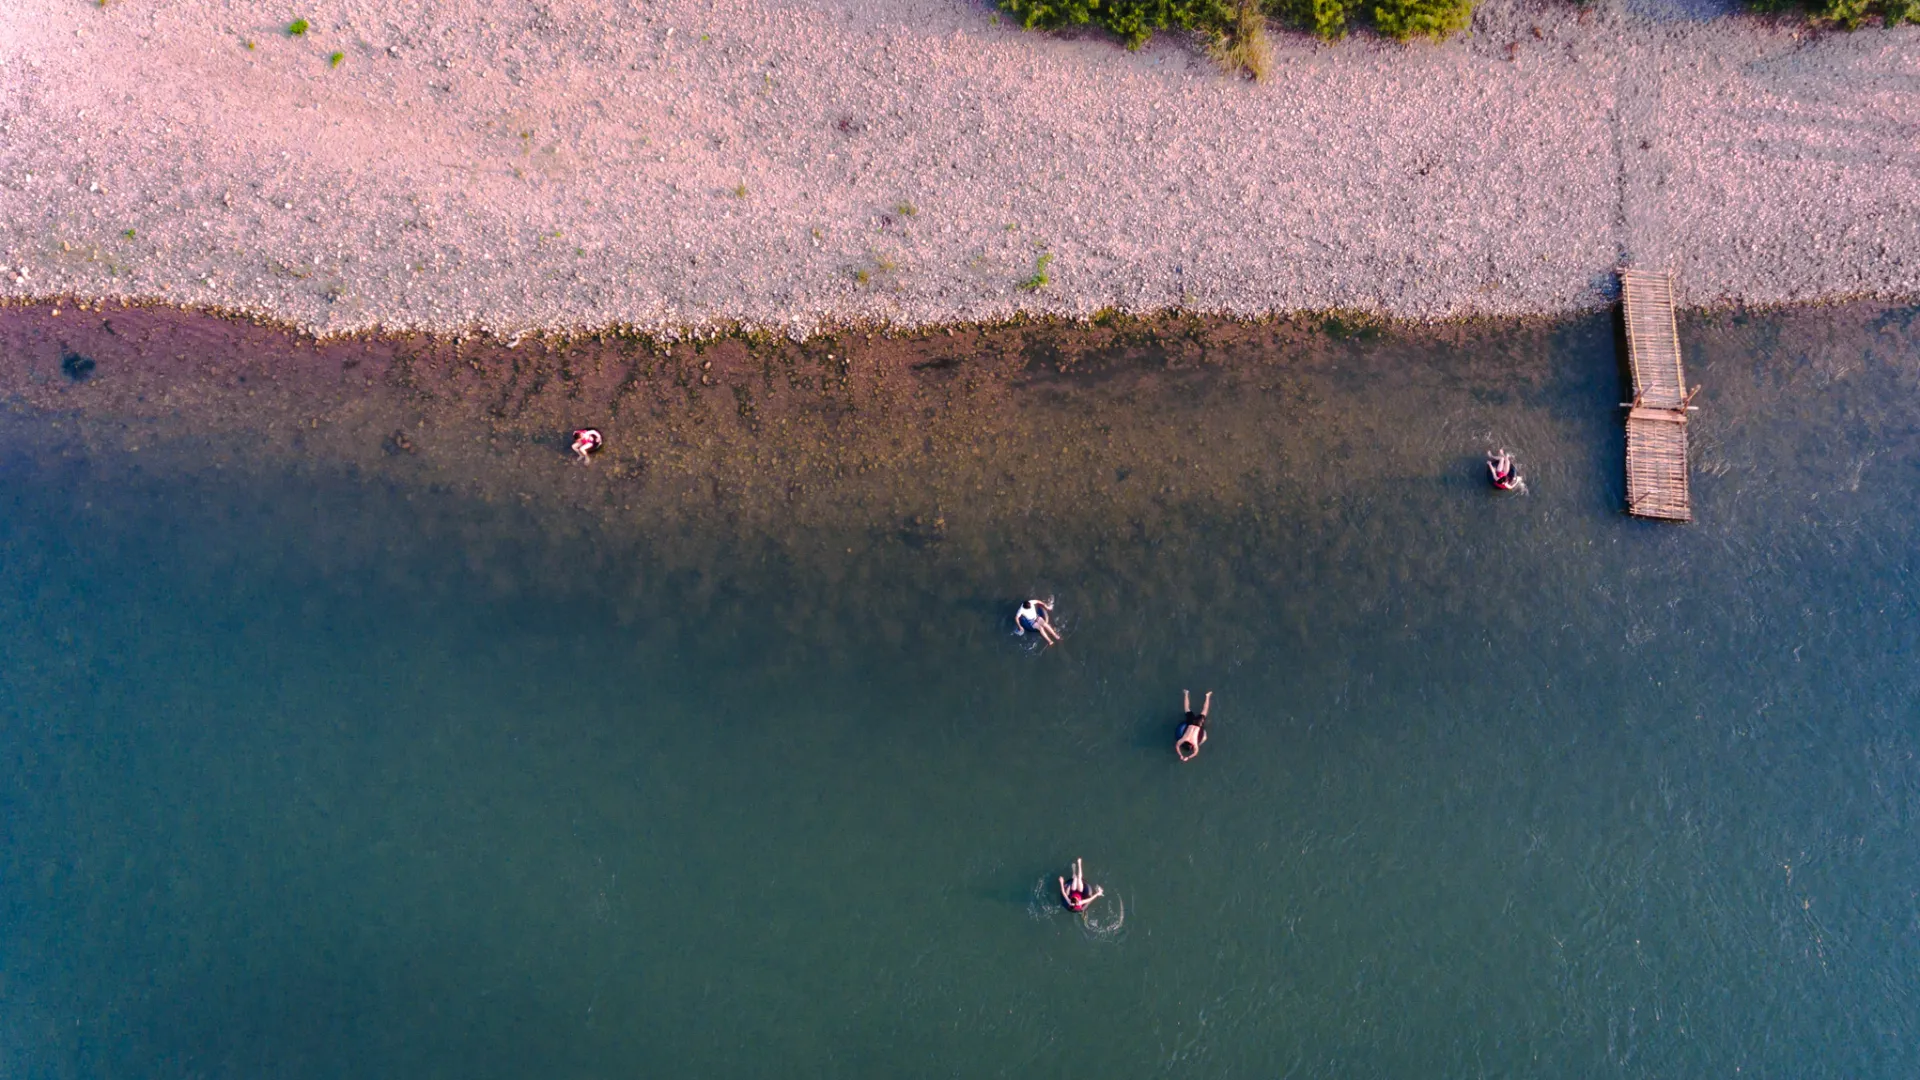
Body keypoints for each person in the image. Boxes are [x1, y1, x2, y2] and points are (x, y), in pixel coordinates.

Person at [1176, 689, 1212, 762]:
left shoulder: (1194, 743)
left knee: (1204, 711)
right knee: (1187, 709)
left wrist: (1187, 757)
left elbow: (1195, 753)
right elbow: (1177, 746)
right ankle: (1186, 693)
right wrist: (1180, 755)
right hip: (1191, 722)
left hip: (1198, 725)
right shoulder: (1184, 739)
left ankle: (1207, 696)